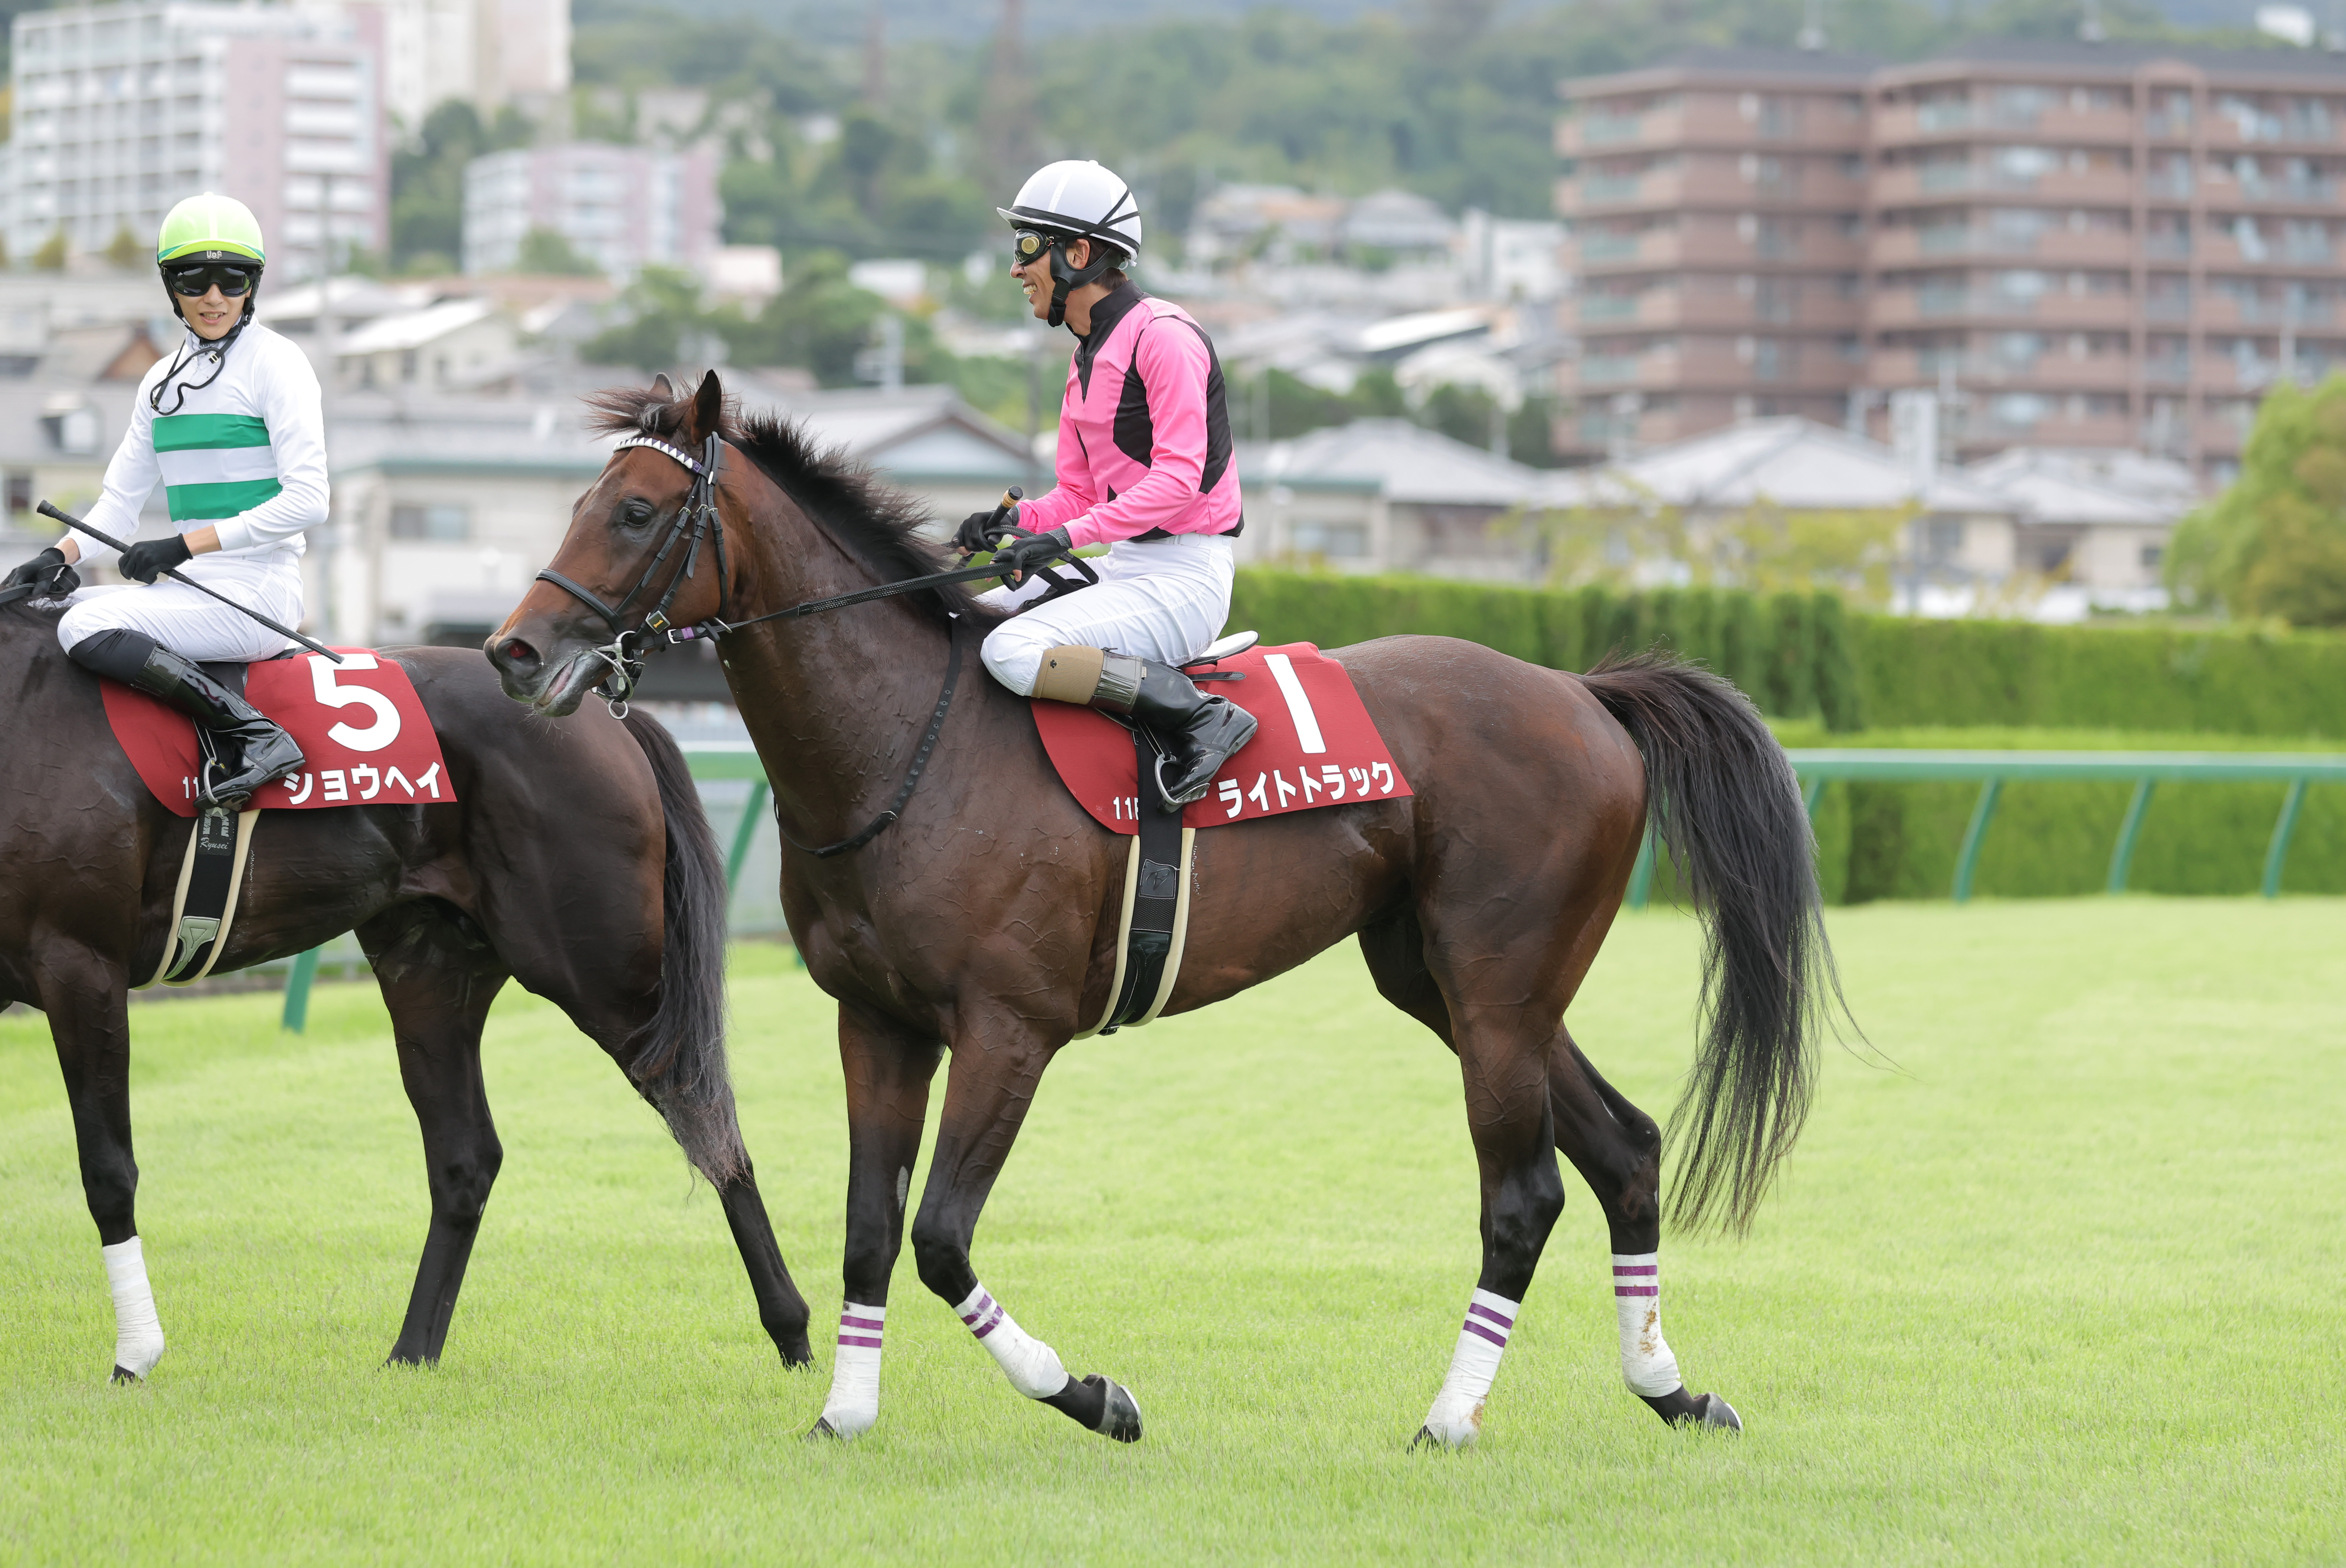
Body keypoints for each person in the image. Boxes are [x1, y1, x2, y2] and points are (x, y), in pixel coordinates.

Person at [1, 192, 327, 806]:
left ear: (252, 284)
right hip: (188, 590)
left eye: (231, 278)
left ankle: (255, 733)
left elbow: (310, 500)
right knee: (38, 615)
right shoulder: (159, 380)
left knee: (86, 625)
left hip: (259, 592)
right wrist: (59, 555)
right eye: (192, 278)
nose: (213, 296)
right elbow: (119, 504)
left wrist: (183, 543)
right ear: (169, 286)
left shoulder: (278, 364)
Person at [961, 159, 1257, 811]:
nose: (1016, 268)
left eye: (1027, 247)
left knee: (1012, 649)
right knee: (966, 620)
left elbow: (1179, 480)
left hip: (1186, 581)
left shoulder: (1165, 338)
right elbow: (1079, 495)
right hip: (1128, 568)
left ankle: (1201, 719)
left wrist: (1064, 536)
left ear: (1079, 253)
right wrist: (1015, 524)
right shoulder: (1085, 356)